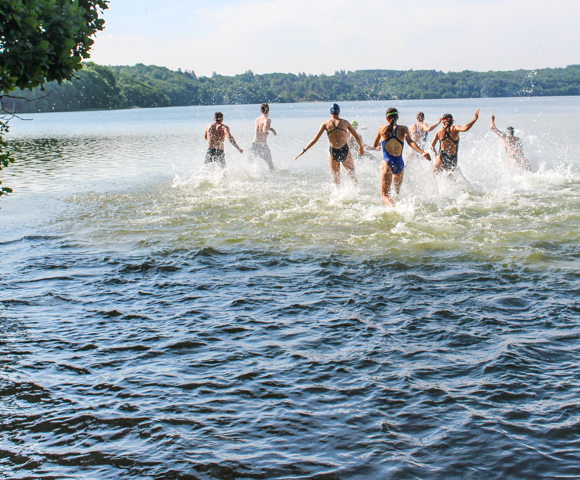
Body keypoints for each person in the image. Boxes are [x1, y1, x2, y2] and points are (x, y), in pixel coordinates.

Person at [371, 108, 431, 207]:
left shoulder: (381, 128)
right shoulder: (403, 128)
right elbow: (410, 141)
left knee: (385, 196)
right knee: (396, 195)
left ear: (387, 118)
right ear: (397, 117)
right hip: (399, 164)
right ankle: (399, 207)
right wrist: (422, 152)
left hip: (387, 162)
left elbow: (375, 145)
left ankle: (394, 209)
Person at [295, 103, 364, 185]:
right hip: (344, 150)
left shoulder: (325, 124)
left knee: (336, 179)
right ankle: (355, 187)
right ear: (339, 112)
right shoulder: (345, 123)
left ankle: (337, 193)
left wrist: (303, 150)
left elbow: (315, 139)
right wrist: (361, 147)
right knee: (350, 170)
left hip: (333, 151)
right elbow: (356, 136)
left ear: (330, 113)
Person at [431, 110, 479, 174]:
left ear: (443, 122)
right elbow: (465, 128)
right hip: (452, 158)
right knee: (451, 181)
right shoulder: (455, 129)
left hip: (441, 156)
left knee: (436, 177)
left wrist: (436, 155)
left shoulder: (439, 131)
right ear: (452, 121)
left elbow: (432, 146)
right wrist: (475, 118)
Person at [249, 103, 277, 171]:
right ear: (268, 110)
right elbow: (264, 127)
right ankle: (273, 179)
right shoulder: (267, 120)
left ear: (261, 110)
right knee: (270, 165)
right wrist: (265, 131)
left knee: (249, 163)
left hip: (254, 144)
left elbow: (260, 128)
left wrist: (270, 129)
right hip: (262, 145)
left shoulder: (257, 119)